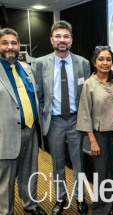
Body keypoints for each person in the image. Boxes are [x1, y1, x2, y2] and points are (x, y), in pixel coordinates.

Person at [36, 20, 90, 215]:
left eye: (66, 36)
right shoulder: (41, 63)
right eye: (58, 36)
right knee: (57, 163)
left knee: (79, 164)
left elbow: (86, 95)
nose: (62, 40)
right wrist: (43, 122)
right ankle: (61, 198)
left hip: (76, 121)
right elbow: (40, 96)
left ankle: (80, 197)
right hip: (55, 121)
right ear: (51, 40)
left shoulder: (83, 63)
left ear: (71, 40)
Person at [0, 28, 47, 215]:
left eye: (13, 43)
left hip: (30, 130)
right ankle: (6, 211)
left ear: (19, 46)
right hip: (5, 134)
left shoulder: (27, 69)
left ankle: (30, 205)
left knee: (30, 173)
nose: (10, 47)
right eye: (5, 43)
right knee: (5, 179)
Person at [76, 46, 113, 215]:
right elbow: (85, 113)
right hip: (99, 135)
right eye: (101, 59)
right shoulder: (89, 84)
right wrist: (92, 140)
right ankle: (99, 209)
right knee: (102, 174)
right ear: (94, 62)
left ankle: (109, 206)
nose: (105, 63)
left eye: (108, 59)